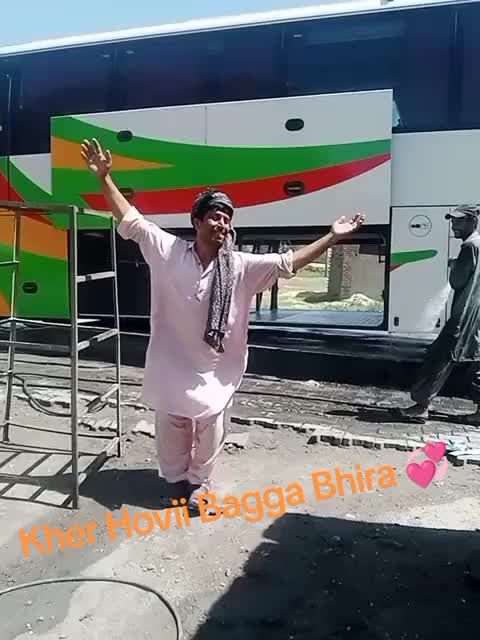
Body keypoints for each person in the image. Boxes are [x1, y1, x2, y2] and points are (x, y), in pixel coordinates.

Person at [80, 138, 366, 512]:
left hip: (216, 367)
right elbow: (131, 219)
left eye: (227, 218)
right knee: (171, 422)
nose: (222, 223)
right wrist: (104, 178)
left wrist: (332, 237)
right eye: (215, 216)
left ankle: (200, 483)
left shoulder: (241, 266)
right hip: (171, 361)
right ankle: (176, 480)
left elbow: (287, 263)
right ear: (196, 222)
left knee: (212, 424)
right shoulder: (167, 250)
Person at [400, 204, 480, 424]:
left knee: (439, 357)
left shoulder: (470, 247)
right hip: (477, 315)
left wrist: (454, 265)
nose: (453, 225)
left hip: (465, 315)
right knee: (477, 363)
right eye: (452, 220)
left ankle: (421, 406)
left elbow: (457, 281)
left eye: (459, 221)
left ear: (473, 221)